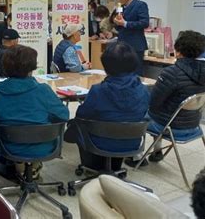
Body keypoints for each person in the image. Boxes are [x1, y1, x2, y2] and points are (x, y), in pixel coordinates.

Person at [125, 31, 205, 167]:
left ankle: (136, 157)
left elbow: (154, 103)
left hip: (171, 127)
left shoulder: (172, 73)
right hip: (193, 124)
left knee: (137, 111)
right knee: (163, 111)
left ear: (178, 51)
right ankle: (157, 151)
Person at [64, 42, 149, 171]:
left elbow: (81, 115)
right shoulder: (144, 90)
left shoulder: (98, 91)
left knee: (74, 125)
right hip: (132, 142)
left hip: (98, 142)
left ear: (106, 66)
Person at [0, 45, 69, 178]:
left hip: (10, 147)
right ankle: (33, 169)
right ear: (32, 67)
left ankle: (19, 166)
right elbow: (63, 115)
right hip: (45, 146)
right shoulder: (43, 91)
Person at [113, 0, 149, 75]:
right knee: (122, 72)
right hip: (122, 44)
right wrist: (117, 22)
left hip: (135, 45)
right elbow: (119, 27)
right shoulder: (120, 7)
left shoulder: (140, 5)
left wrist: (125, 23)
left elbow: (145, 23)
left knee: (135, 72)